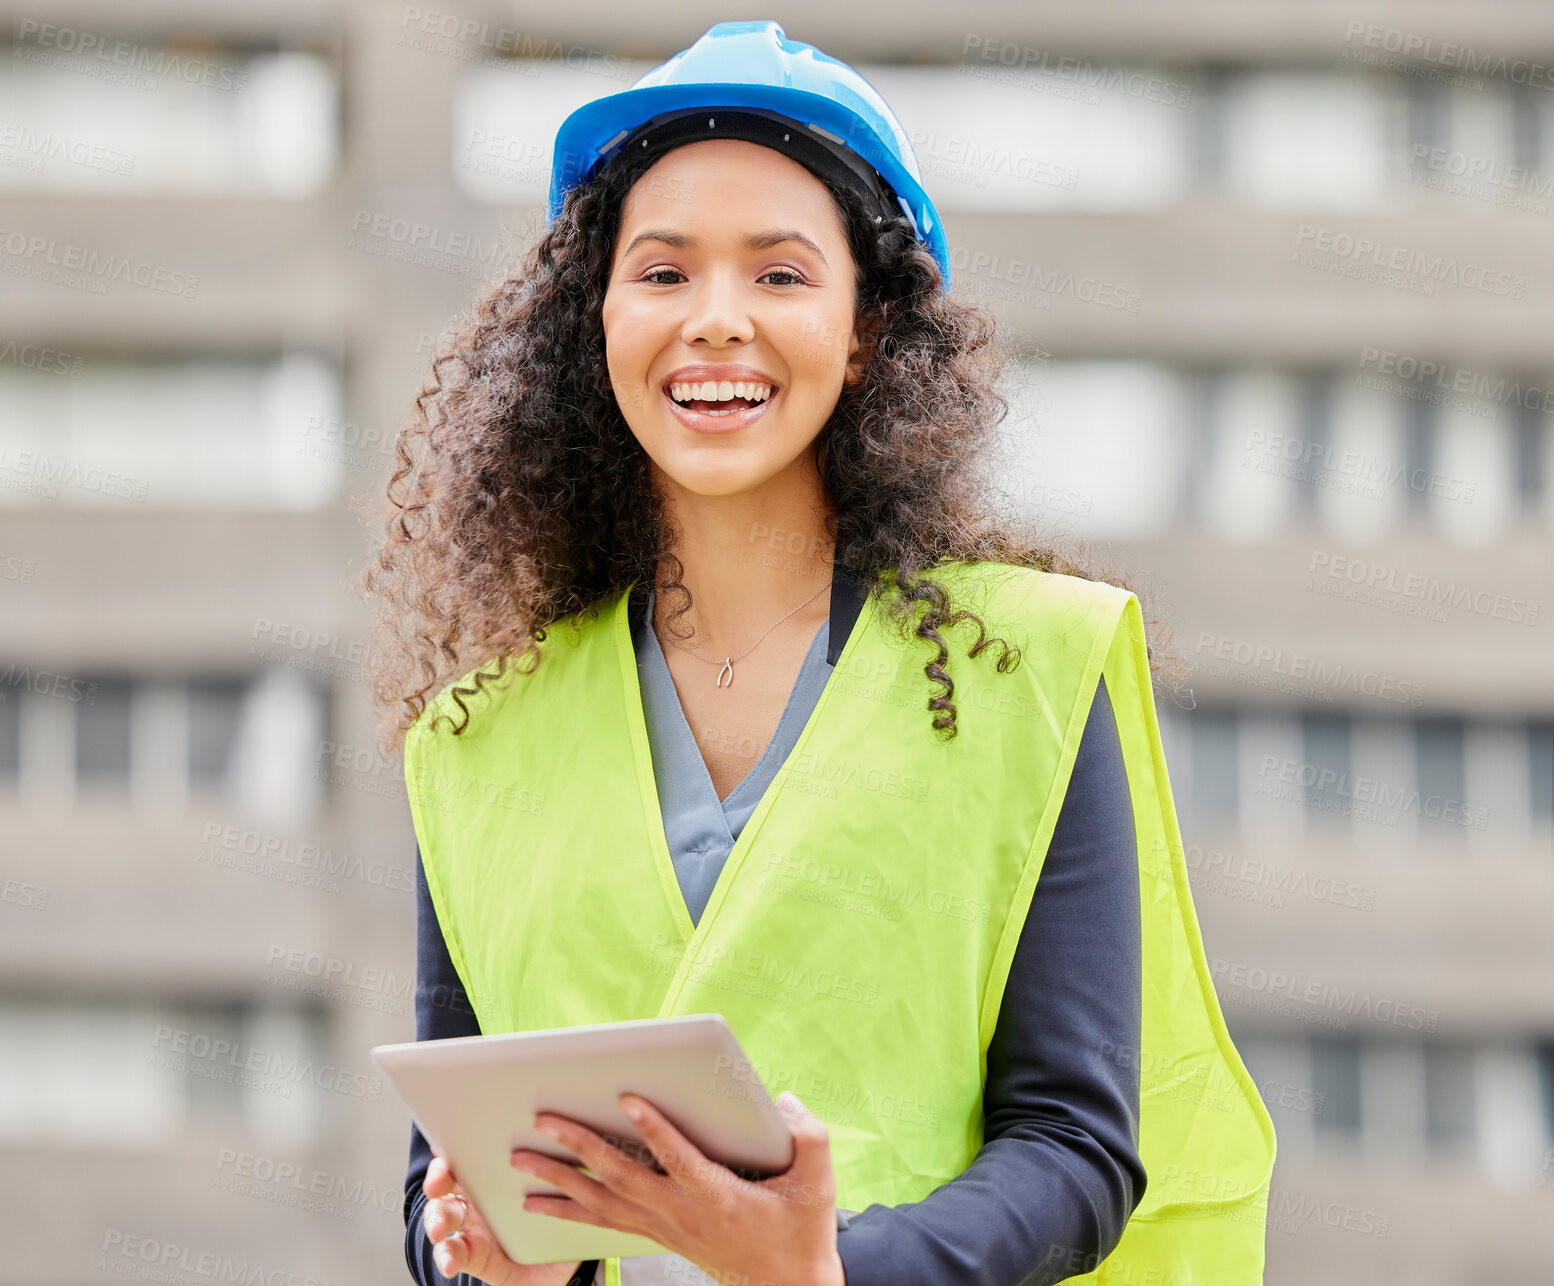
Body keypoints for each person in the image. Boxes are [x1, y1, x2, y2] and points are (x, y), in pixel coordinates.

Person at [361, 21, 1275, 1286]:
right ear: (599, 321)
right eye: (664, 273)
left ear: (865, 333)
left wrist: (827, 1270)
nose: (717, 322)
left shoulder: (1029, 672)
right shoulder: (478, 733)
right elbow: (438, 1185)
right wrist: (487, 1263)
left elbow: (1076, 1144)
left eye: (782, 276)